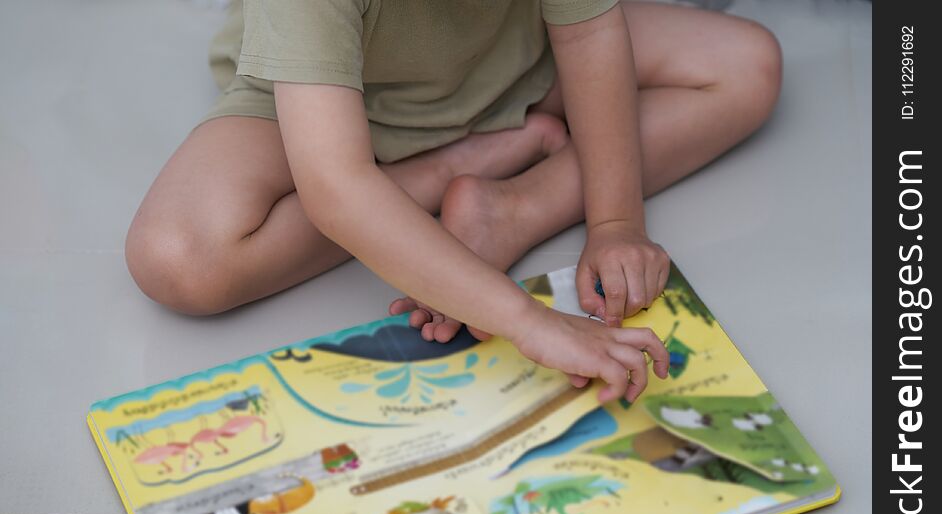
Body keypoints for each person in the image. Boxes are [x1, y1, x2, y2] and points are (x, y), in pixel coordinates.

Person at [125, 0, 782, 403]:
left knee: (747, 65)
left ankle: (516, 206)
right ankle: (442, 173)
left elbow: (587, 35)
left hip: (518, 68)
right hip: (327, 103)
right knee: (176, 259)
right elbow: (336, 187)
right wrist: (529, 321)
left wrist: (616, 221)